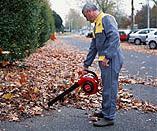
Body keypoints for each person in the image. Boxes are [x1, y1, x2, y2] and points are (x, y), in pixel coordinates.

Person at [82, 3, 123, 127]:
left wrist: (107, 56)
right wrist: (86, 65)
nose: (86, 18)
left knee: (110, 88)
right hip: (105, 61)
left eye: (85, 16)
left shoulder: (106, 18)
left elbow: (115, 37)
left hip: (111, 60)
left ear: (89, 11)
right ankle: (105, 111)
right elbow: (93, 47)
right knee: (106, 87)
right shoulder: (96, 25)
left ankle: (109, 117)